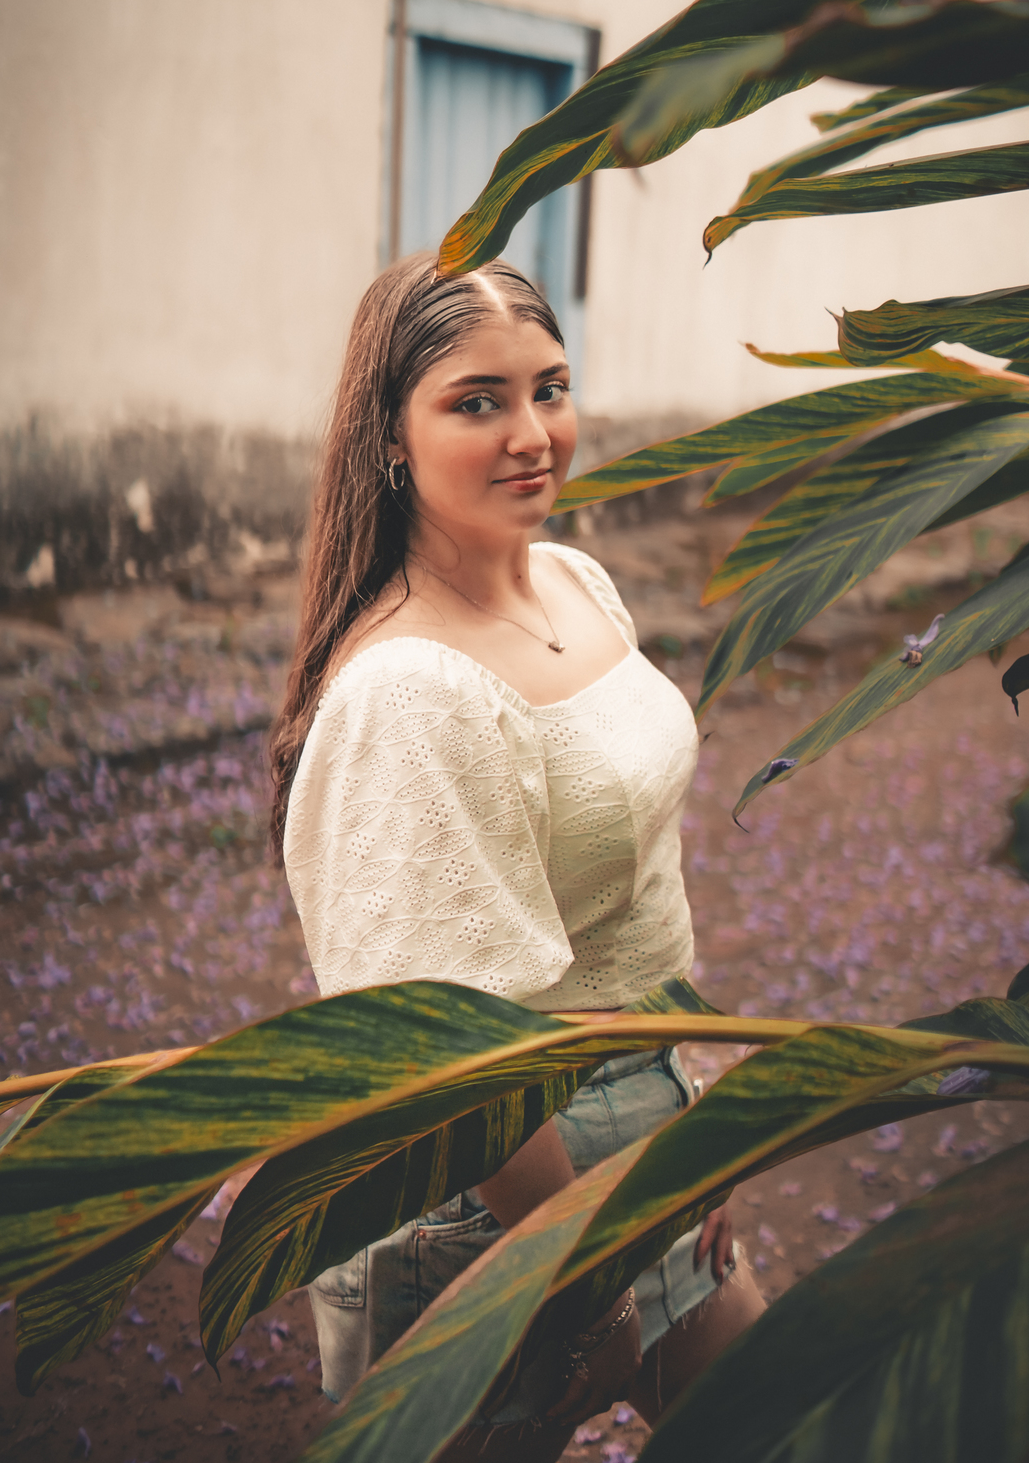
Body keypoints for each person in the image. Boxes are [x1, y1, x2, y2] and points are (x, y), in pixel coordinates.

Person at [271, 253, 764, 1458]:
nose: (533, 434)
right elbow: (447, 1067)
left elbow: (640, 896)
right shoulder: (408, 692)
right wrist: (585, 1251)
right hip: (485, 1199)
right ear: (392, 438)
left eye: (550, 388)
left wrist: (690, 1107)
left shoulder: (574, 582)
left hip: (642, 1114)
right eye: (477, 401)